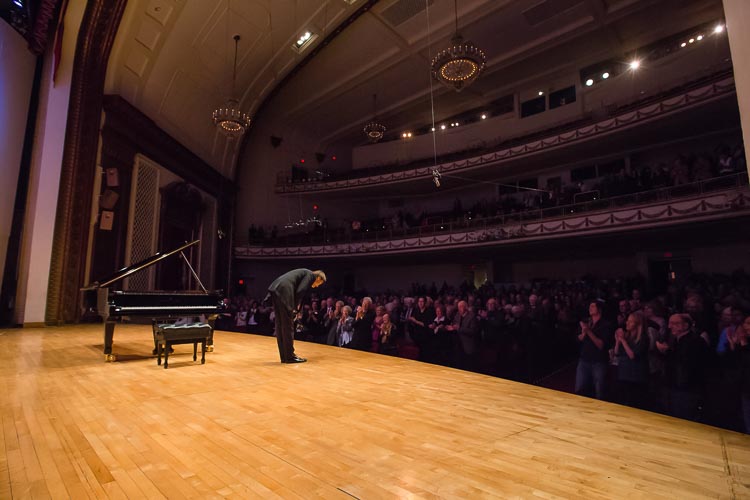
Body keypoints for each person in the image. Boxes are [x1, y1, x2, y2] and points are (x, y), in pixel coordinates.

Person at [266, 269, 326, 363]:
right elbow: (301, 290)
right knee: (288, 327)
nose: (317, 286)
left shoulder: (303, 273)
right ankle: (290, 357)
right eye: (319, 283)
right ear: (318, 277)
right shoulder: (310, 275)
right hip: (284, 291)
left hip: (276, 288)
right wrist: (294, 307)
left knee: (280, 325)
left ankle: (284, 356)